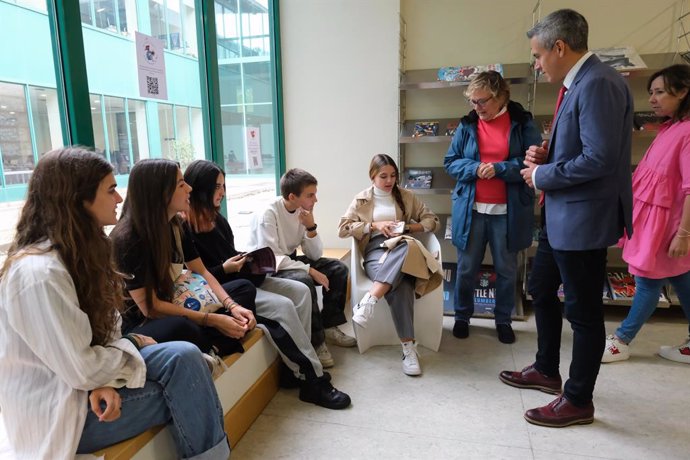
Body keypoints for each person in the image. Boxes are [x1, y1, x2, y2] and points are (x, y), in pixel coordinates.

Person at [0, 148, 229, 459]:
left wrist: (102, 378)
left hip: (85, 388)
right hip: (64, 412)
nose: (119, 199)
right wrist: (103, 373)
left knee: (186, 357)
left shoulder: (78, 252)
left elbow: (105, 330)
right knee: (192, 383)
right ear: (78, 199)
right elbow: (82, 367)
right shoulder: (39, 275)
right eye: (110, 190)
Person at [500, 9, 634, 428]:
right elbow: (583, 146)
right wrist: (546, 155)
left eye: (538, 56)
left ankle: (578, 399)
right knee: (540, 288)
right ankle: (546, 369)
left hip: (583, 219)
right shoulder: (578, 83)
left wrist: (542, 174)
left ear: (560, 47)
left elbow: (600, 158)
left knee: (583, 311)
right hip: (562, 216)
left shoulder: (598, 83)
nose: (537, 65)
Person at [183, 160, 351, 408]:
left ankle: (295, 367)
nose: (223, 192)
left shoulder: (218, 220)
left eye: (224, 185)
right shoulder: (184, 228)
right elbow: (196, 277)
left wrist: (244, 259)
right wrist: (226, 268)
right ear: (200, 189)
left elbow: (311, 253)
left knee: (302, 291)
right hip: (224, 289)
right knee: (283, 305)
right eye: (217, 186)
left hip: (242, 277)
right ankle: (312, 378)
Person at [111, 158, 258, 359]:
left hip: (178, 299)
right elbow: (151, 308)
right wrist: (212, 319)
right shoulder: (128, 240)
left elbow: (201, 271)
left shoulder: (177, 224)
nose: (189, 188)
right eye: (181, 184)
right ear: (159, 192)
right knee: (181, 326)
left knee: (243, 288)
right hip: (144, 322)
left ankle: (215, 339)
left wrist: (233, 306)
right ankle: (214, 340)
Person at [444, 71, 542, 344]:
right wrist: (475, 167)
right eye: (473, 102)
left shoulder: (523, 123)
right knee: (465, 268)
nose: (477, 108)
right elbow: (450, 162)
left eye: (482, 101)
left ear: (500, 96)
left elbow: (531, 163)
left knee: (507, 270)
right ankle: (462, 316)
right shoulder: (468, 125)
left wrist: (499, 168)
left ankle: (503, 320)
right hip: (472, 210)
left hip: (507, 213)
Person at [602, 64, 690, 364]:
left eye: (660, 92)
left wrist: (683, 234)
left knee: (648, 281)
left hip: (668, 224)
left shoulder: (688, 132)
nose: (653, 99)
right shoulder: (672, 127)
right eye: (651, 92)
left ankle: (623, 339)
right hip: (657, 220)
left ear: (683, 92)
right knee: (682, 278)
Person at [338, 154, 440, 375]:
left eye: (393, 175)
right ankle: (409, 349)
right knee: (401, 286)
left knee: (407, 246)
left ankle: (369, 301)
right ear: (372, 176)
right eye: (383, 176)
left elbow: (432, 220)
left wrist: (406, 228)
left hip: (404, 248)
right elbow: (343, 228)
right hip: (376, 253)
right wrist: (373, 226)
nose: (389, 181)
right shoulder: (361, 199)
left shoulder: (406, 196)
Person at [248, 168, 356, 367]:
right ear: (292, 196)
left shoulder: (302, 212)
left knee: (338, 269)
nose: (316, 199)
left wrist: (311, 227)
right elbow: (272, 259)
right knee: (305, 280)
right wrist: (309, 270)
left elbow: (314, 255)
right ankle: (316, 342)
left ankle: (329, 327)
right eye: (310, 195)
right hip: (265, 266)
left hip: (288, 259)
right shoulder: (268, 214)